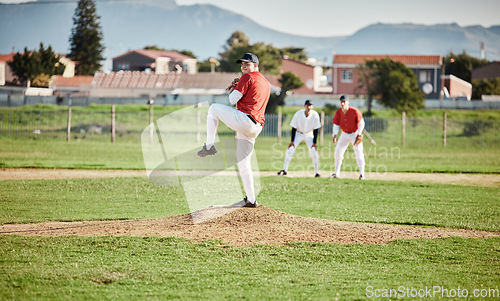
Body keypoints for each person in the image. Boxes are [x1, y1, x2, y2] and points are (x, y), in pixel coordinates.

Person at [197, 53, 270, 208]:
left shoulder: (247, 77)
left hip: (245, 120)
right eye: (242, 64)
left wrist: (235, 88)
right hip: (256, 126)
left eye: (247, 64)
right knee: (244, 163)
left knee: (213, 108)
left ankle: (209, 146)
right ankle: (251, 200)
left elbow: (232, 100)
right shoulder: (265, 82)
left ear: (255, 65)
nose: (244, 66)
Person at [277, 100, 321, 177]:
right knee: (290, 150)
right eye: (307, 105)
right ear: (305, 106)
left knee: (314, 151)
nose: (309, 107)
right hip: (298, 133)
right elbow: (293, 127)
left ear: (312, 106)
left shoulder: (315, 115)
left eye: (310, 105)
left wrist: (314, 143)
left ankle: (316, 172)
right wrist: (292, 141)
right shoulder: (298, 114)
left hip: (309, 133)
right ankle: (285, 170)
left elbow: (316, 129)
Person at [331, 95, 366, 179]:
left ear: (348, 102)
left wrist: (359, 134)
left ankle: (362, 174)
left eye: (344, 101)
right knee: (338, 152)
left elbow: (361, 123)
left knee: (358, 152)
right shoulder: (339, 112)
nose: (342, 103)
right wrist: (334, 134)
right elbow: (336, 124)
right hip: (344, 134)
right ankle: (337, 173)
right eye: (341, 102)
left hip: (354, 133)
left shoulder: (354, 111)